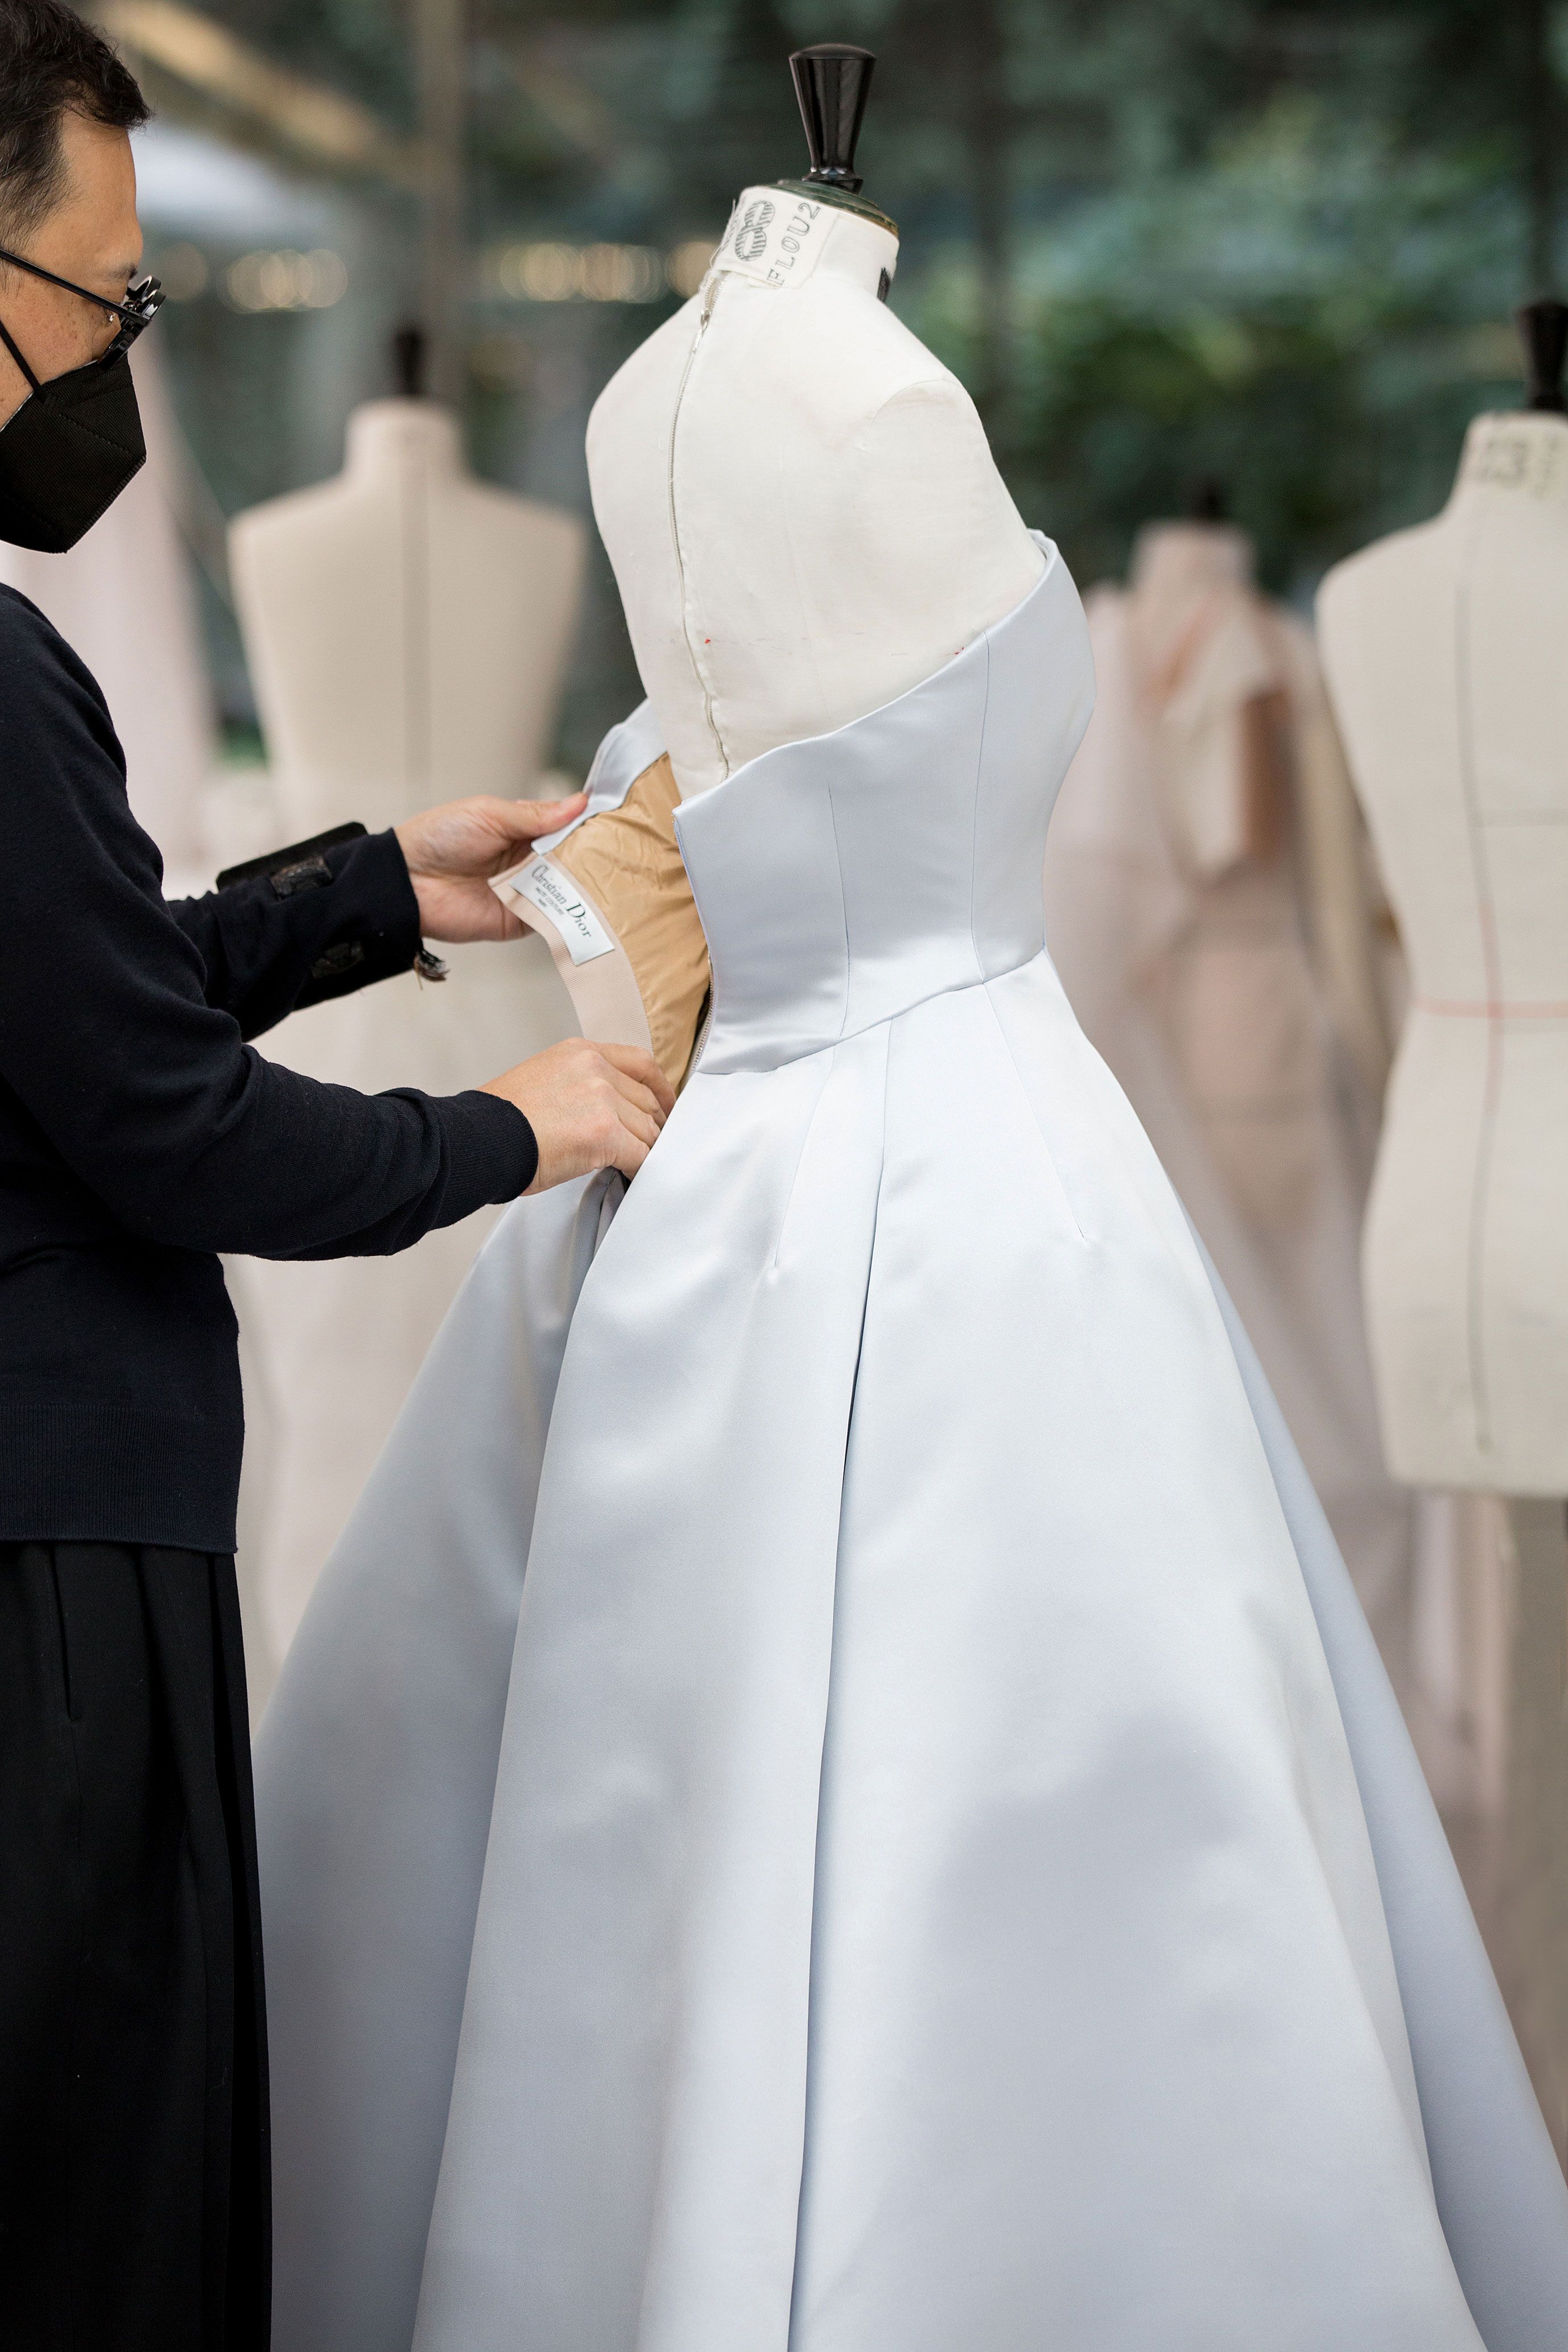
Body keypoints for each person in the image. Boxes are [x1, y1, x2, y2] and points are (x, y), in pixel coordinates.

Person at [0, 7, 672, 2346]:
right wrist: (516, 1122)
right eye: (107, 306)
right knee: (91, 2183)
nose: (121, 366)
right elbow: (149, 1115)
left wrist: (372, 880)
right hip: (48, 1558)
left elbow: (69, 1001)